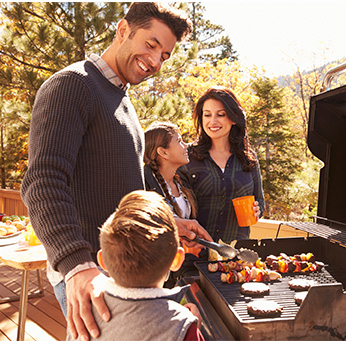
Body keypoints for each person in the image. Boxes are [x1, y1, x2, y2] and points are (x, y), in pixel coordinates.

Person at [21, 3, 211, 340]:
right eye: (151, 45)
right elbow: (42, 182)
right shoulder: (73, 85)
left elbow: (125, 191)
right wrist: (76, 265)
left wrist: (166, 223)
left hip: (123, 275)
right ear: (122, 30)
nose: (155, 61)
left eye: (164, 55)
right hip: (90, 273)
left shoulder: (123, 102)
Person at [66, 190, 205, 340]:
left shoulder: (83, 313)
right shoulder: (180, 324)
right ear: (177, 259)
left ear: (103, 261)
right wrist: (191, 329)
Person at [178, 86, 265, 244]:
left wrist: (257, 210)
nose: (213, 121)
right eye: (207, 115)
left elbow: (260, 200)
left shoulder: (249, 159)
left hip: (235, 256)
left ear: (233, 118)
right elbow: (172, 205)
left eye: (220, 115)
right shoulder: (186, 157)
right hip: (195, 253)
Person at [144, 122, 208, 286]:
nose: (186, 145)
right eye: (179, 141)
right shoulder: (144, 185)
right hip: (158, 275)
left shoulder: (182, 182)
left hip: (183, 269)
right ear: (163, 152)